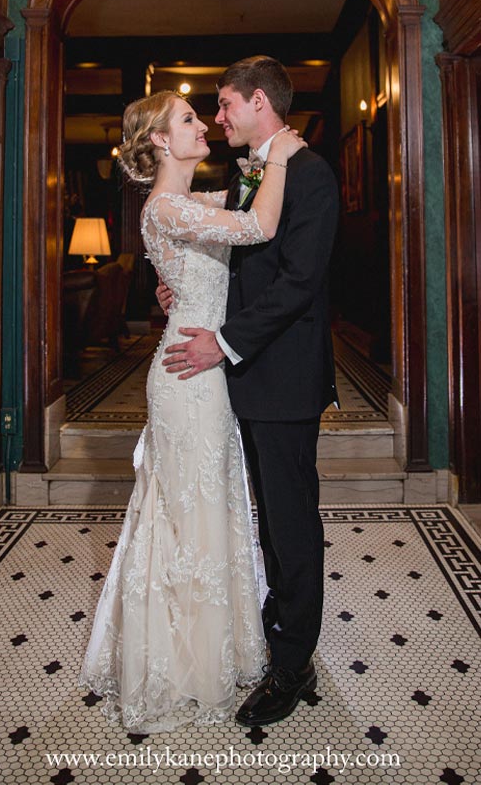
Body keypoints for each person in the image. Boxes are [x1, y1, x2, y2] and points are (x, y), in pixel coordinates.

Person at [79, 89, 306, 733]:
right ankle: (178, 661)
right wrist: (282, 156)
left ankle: (215, 643)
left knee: (210, 507)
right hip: (187, 375)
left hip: (207, 364)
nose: (202, 124)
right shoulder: (167, 205)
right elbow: (257, 226)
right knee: (186, 513)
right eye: (187, 119)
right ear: (158, 141)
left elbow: (232, 214)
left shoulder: (188, 203)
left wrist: (262, 164)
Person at [160, 56, 339, 727]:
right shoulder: (252, 176)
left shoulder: (310, 173)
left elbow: (298, 282)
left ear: (260, 102)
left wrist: (223, 342)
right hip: (250, 375)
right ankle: (276, 624)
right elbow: (243, 264)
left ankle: (293, 664)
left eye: (227, 104)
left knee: (291, 522)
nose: (219, 116)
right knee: (267, 513)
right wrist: (188, 294)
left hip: (285, 379)